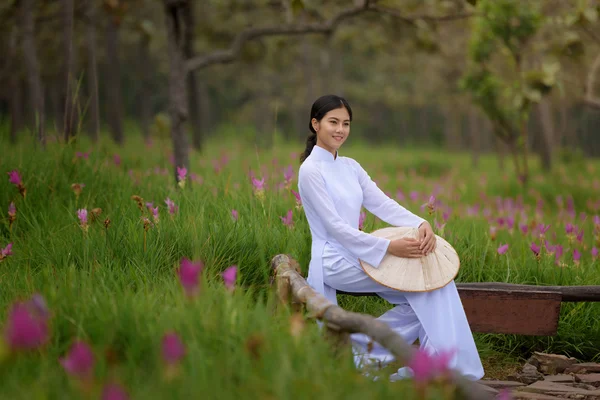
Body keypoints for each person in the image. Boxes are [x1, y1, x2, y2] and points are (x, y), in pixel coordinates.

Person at [297, 94, 484, 381]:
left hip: (359, 251)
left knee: (432, 288)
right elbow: (335, 227)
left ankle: (372, 354)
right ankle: (435, 365)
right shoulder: (310, 170)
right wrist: (388, 248)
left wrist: (420, 221)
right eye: (333, 122)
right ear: (315, 124)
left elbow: (382, 204)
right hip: (333, 258)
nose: (340, 130)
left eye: (346, 123)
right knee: (427, 289)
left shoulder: (350, 167)